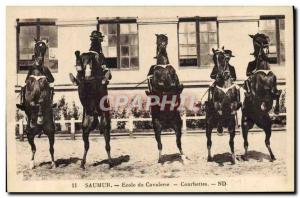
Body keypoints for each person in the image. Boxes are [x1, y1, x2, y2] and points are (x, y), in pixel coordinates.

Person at [209, 49, 237, 135]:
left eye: (229, 59)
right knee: (211, 87)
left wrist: (231, 78)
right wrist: (216, 76)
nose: (227, 60)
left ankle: (237, 102)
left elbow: (235, 77)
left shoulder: (231, 68)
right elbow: (211, 75)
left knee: (237, 89)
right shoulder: (217, 66)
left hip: (229, 85)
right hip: (219, 85)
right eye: (226, 58)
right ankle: (211, 100)